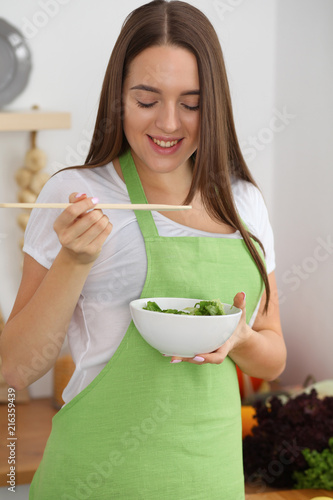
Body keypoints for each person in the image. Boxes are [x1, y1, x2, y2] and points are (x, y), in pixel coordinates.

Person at [0, 1, 286, 498]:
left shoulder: (246, 202)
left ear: (213, 104)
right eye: (147, 99)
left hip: (211, 482)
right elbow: (14, 370)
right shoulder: (76, 195)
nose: (169, 123)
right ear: (118, 97)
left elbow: (273, 357)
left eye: (191, 103)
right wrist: (74, 259)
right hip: (96, 480)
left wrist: (239, 339)